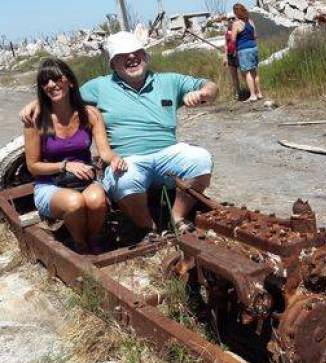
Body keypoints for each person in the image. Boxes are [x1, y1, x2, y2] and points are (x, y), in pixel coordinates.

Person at [21, 32, 218, 239]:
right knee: (124, 179)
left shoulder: (169, 81)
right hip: (127, 159)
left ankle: (176, 218)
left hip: (168, 153)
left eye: (137, 52)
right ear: (113, 64)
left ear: (146, 56)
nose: (132, 57)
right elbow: (64, 94)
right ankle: (148, 228)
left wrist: (204, 93)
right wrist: (37, 103)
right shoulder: (99, 86)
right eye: (123, 55)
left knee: (201, 159)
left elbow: (210, 85)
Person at [24, 58, 127, 254]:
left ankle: (93, 237)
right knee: (75, 202)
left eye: (56, 79)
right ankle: (79, 244)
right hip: (50, 184)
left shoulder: (90, 114)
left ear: (70, 81)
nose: (51, 85)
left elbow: (104, 151)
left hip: (84, 180)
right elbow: (33, 166)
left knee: (96, 199)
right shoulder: (35, 121)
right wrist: (64, 166)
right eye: (45, 82)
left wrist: (114, 159)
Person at [231, 3, 263, 102]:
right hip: (254, 48)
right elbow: (255, 35)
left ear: (236, 13)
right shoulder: (250, 21)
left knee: (247, 73)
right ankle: (259, 93)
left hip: (244, 50)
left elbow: (233, 39)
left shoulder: (236, 23)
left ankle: (252, 95)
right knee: (255, 72)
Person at [223, 14, 241, 100]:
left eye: (233, 18)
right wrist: (225, 57)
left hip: (239, 54)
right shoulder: (227, 31)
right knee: (234, 76)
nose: (231, 20)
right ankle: (237, 93)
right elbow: (226, 45)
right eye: (229, 19)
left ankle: (251, 91)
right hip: (230, 56)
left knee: (245, 74)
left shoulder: (238, 29)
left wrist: (237, 51)